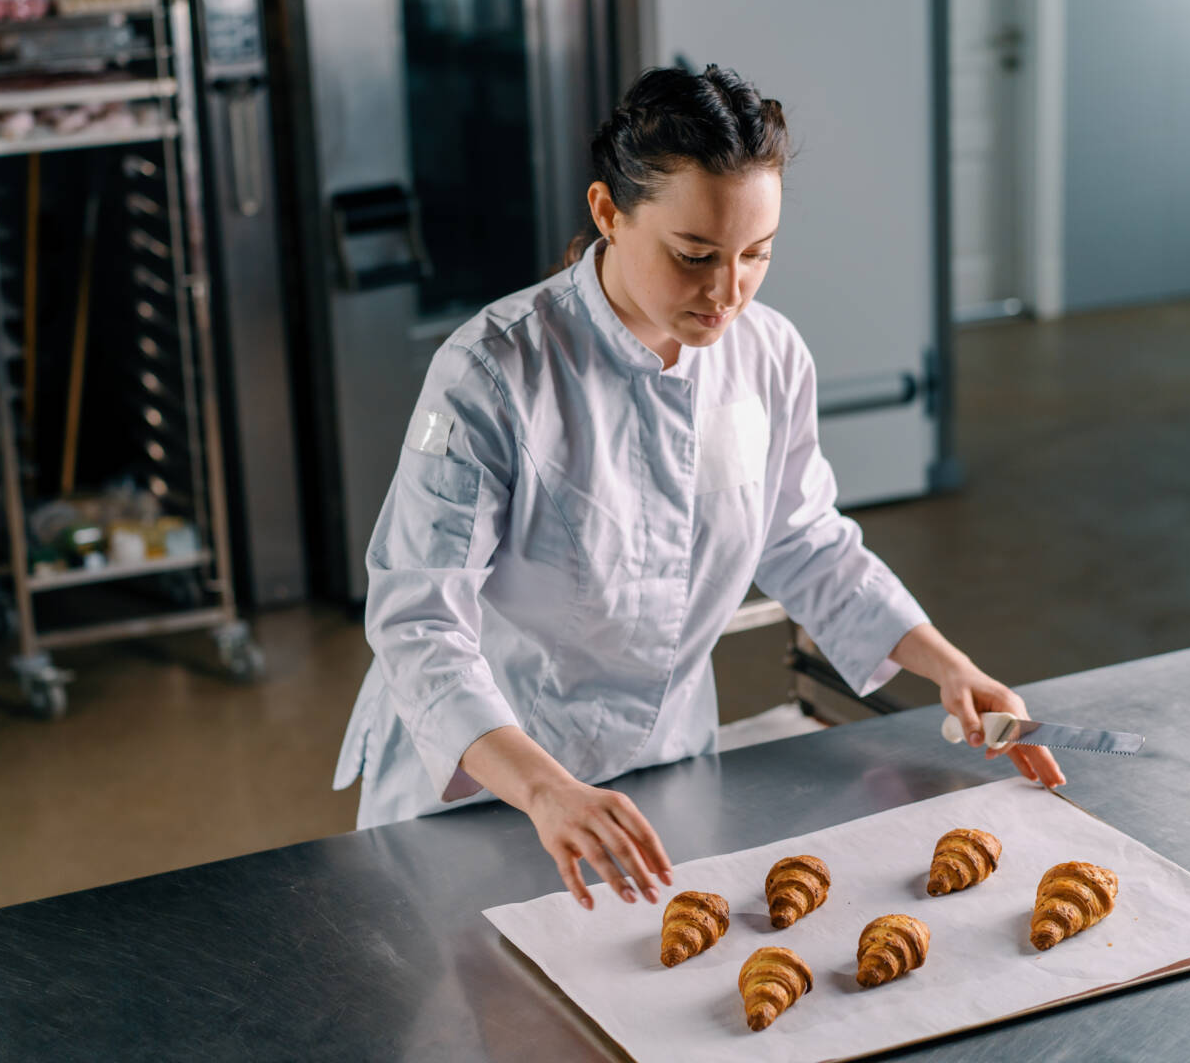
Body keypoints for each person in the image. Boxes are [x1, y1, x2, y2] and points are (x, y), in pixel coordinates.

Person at [333, 65, 1064, 911]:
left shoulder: (769, 354)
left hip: (660, 770)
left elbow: (804, 537)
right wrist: (543, 790)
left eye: (757, 256)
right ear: (608, 213)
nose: (727, 294)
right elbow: (418, 618)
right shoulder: (494, 371)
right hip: (487, 776)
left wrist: (949, 667)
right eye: (695, 257)